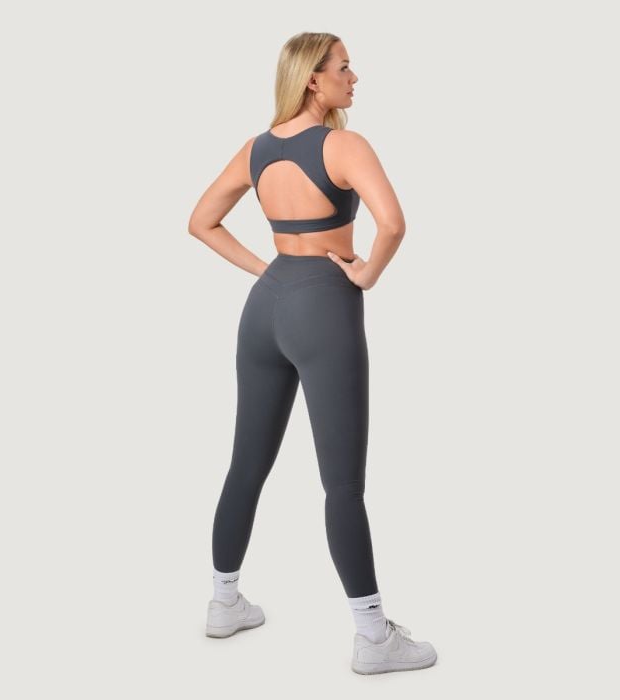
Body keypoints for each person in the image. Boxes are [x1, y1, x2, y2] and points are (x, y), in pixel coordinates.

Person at [188, 31, 438, 675]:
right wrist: (366, 274)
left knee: (246, 465)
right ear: (312, 79)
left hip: (265, 309)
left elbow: (201, 221)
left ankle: (223, 602)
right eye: (344, 67)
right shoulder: (343, 145)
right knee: (343, 484)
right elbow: (393, 223)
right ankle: (374, 637)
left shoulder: (256, 148)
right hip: (324, 307)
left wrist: (267, 272)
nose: (355, 77)